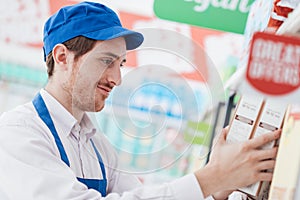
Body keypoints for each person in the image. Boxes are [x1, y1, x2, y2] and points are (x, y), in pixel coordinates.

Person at [0, 1, 280, 200]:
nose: (116, 79)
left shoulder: (96, 144)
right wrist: (211, 177)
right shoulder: (18, 133)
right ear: (62, 57)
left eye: (120, 64)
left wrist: (220, 187)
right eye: (106, 61)